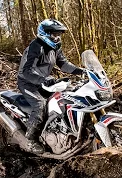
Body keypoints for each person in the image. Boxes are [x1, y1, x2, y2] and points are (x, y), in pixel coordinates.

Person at [17, 19, 84, 154]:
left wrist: (81, 71)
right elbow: (27, 70)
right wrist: (43, 80)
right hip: (28, 82)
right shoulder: (35, 47)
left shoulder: (55, 47)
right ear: (45, 33)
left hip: (43, 81)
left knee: (66, 97)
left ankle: (62, 133)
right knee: (40, 105)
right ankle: (30, 140)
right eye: (54, 34)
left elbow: (63, 64)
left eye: (59, 34)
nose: (57, 37)